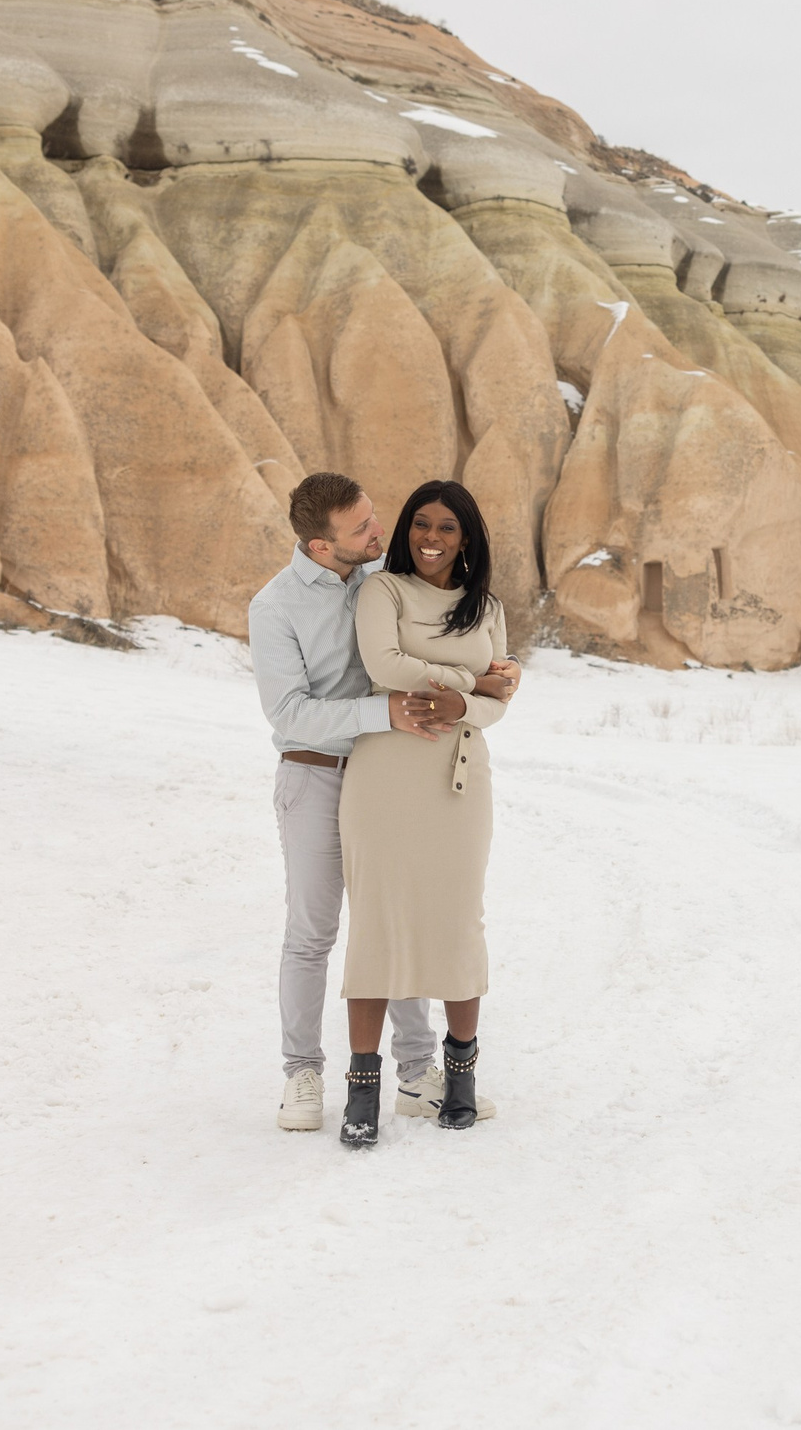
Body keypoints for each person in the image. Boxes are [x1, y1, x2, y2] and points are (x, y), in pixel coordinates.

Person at [247, 472, 513, 1133]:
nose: (379, 531)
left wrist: (491, 680)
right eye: (362, 527)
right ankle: (302, 1073)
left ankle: (417, 1069)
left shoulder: (380, 583)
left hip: (390, 771)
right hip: (316, 772)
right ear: (318, 544)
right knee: (314, 932)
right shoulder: (275, 606)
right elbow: (289, 712)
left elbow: (455, 649)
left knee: (397, 916)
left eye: (373, 517)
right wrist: (391, 710)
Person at [337, 478, 518, 1148]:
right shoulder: (382, 592)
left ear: (465, 537)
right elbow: (383, 662)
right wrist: (469, 684)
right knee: (377, 924)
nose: (431, 539)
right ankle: (364, 1090)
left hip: (457, 783)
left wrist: (464, 707)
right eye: (421, 525)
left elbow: (503, 701)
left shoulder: (488, 606)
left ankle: (460, 1076)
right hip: (385, 776)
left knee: (456, 922)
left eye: (446, 528)